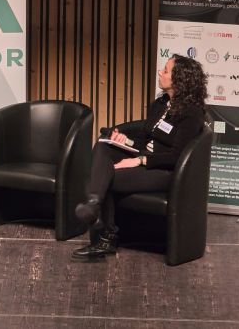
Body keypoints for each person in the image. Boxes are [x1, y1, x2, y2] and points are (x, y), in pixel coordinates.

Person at [72, 54, 208, 259]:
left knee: (106, 177)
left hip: (165, 171)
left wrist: (139, 160)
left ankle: (106, 237)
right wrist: (125, 141)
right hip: (147, 156)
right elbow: (147, 139)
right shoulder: (161, 103)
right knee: (103, 145)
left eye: (166, 70)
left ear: (180, 79)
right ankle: (93, 203)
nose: (160, 72)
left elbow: (177, 156)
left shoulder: (192, 113)